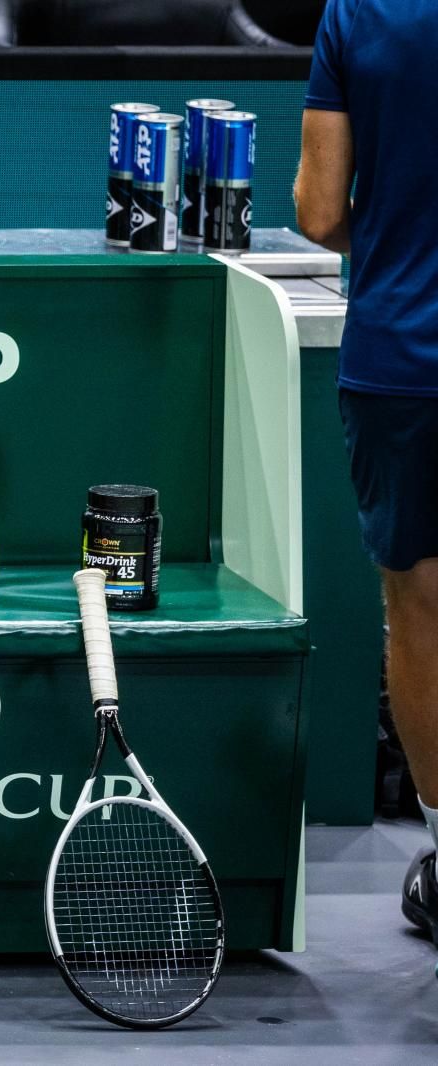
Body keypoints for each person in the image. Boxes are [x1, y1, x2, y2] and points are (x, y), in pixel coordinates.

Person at [296, 0, 438, 942]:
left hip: (402, 361)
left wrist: (391, 238)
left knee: (421, 611)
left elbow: (317, 211)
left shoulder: (361, 10)